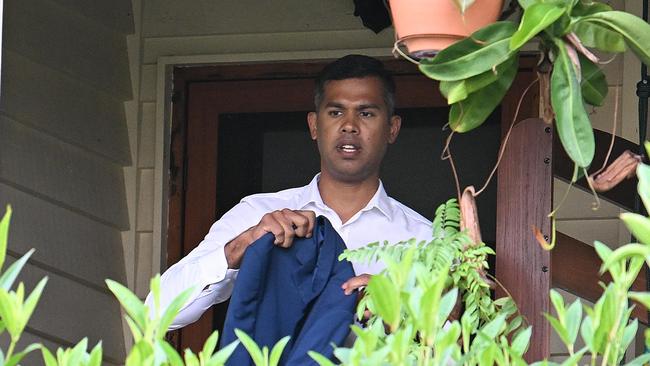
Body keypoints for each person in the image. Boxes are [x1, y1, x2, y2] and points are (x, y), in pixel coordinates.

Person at [146, 54, 432, 330]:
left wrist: (402, 311)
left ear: (392, 129)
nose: (349, 126)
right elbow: (155, 314)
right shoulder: (257, 213)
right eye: (335, 112)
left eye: (366, 113)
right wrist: (244, 245)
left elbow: (458, 350)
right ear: (314, 125)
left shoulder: (426, 239)